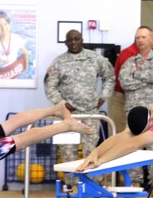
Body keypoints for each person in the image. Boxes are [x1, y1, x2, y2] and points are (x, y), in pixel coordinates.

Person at [44, 29, 115, 178]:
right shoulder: (59, 62)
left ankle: (93, 185)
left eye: (76, 39)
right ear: (66, 42)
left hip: (90, 114)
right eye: (70, 40)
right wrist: (62, 103)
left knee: (92, 151)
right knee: (67, 150)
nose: (74, 42)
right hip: (68, 115)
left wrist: (103, 96)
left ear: (82, 40)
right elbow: (50, 86)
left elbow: (109, 76)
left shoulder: (95, 58)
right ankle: (71, 186)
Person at [118, 26, 153, 189]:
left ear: (152, 40)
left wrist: (137, 75)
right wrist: (147, 79)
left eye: (143, 37)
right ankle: (135, 181)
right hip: (134, 110)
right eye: (137, 37)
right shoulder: (129, 62)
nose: (140, 40)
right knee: (133, 145)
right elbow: (124, 82)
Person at [0, 11, 31, 80]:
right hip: (1, 72)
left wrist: (25, 67)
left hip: (14, 70)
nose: (3, 29)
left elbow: (26, 53)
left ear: (9, 24)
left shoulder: (16, 39)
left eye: (5, 24)